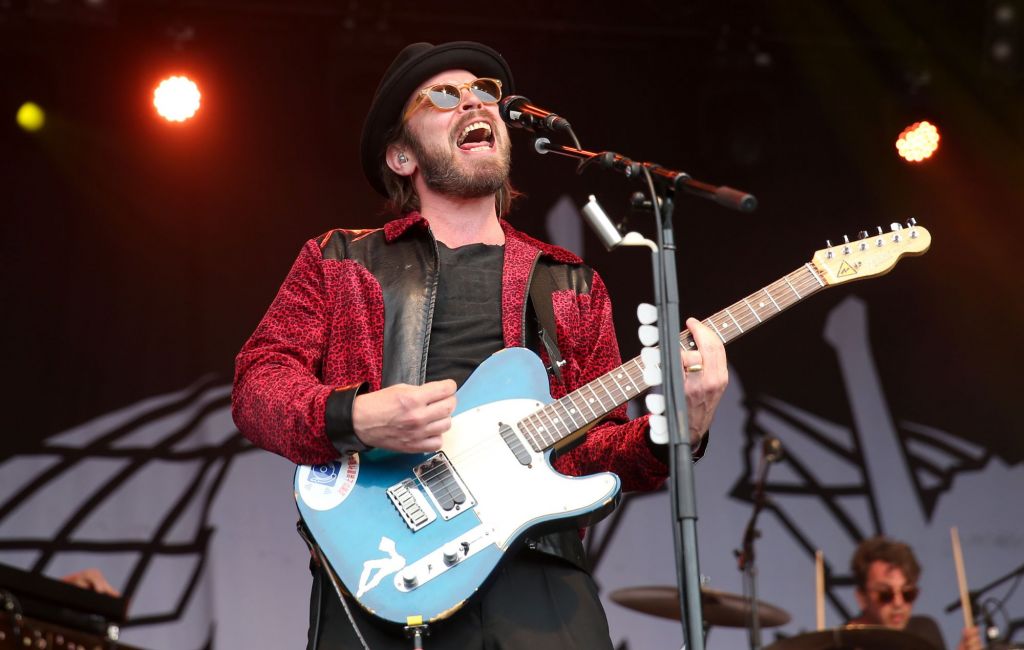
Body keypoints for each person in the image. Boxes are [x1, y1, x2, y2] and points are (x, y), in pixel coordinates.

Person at [231, 40, 729, 650]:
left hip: (541, 579)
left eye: (486, 92)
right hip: (385, 569)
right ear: (401, 154)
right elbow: (258, 383)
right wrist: (356, 414)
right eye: (443, 96)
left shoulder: (569, 280)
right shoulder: (341, 259)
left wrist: (681, 428)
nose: (475, 102)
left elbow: (597, 452)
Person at [847, 536, 982, 650]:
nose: (898, 603)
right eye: (886, 594)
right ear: (862, 598)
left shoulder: (925, 632)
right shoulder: (841, 644)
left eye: (908, 593)